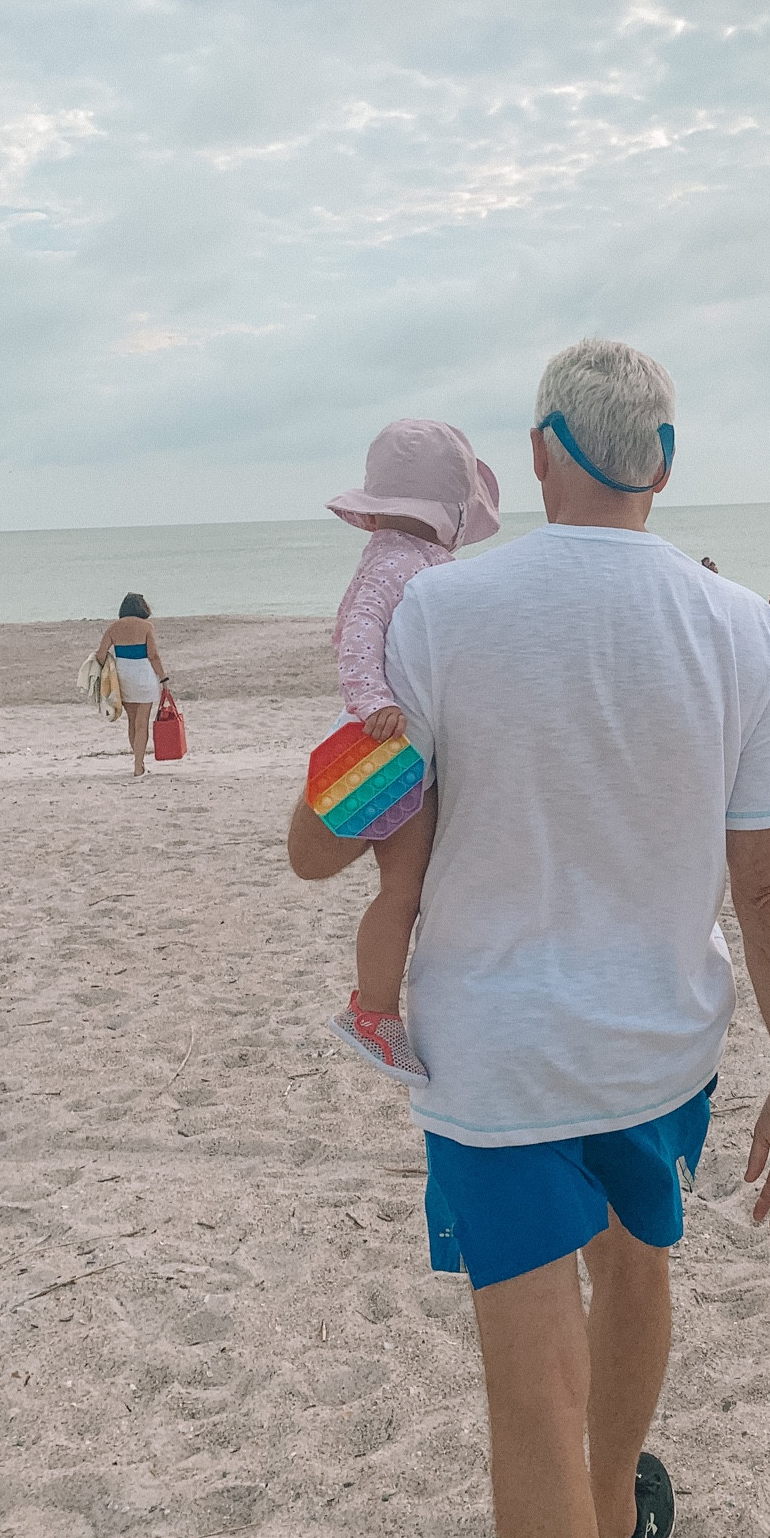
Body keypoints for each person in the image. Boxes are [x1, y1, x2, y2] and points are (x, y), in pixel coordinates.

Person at [288, 339, 770, 1538]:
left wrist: (321, 813)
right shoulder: (741, 622)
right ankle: (605, 1524)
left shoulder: (436, 610)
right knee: (640, 1260)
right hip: (660, 1042)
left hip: (497, 1056)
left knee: (530, 1390)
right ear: (667, 461)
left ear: (537, 455)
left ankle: (587, 1531)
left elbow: (327, 845)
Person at [304, 420, 500, 1084]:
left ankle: (380, 1010)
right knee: (401, 888)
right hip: (384, 740)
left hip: (413, 747)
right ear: (452, 513)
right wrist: (371, 702)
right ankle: (374, 1011)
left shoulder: (420, 563)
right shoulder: (393, 561)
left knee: (409, 889)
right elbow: (355, 637)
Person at [93, 593, 171, 778]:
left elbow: (101, 654)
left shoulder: (114, 627)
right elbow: (153, 655)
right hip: (143, 673)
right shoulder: (146, 626)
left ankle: (139, 763)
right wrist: (163, 678)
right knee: (142, 723)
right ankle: (138, 766)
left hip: (123, 674)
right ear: (142, 607)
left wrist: (107, 671)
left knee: (132, 721)